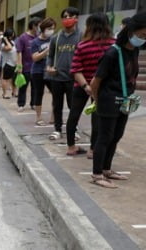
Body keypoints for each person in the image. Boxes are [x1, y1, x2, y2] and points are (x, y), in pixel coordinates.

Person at [90, 12, 146, 188]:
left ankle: (107, 169)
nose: (144, 39)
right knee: (104, 137)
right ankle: (97, 174)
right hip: (109, 99)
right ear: (131, 32)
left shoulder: (135, 50)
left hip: (126, 98)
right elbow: (95, 82)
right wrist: (98, 102)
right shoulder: (112, 53)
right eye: (142, 35)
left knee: (116, 136)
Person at [66, 13, 115, 157]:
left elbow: (75, 70)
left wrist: (86, 87)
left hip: (82, 86)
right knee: (98, 118)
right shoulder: (113, 45)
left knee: (74, 115)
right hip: (103, 88)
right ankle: (93, 150)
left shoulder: (82, 45)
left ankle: (71, 147)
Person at [46, 7, 82, 140]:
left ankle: (73, 129)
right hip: (57, 77)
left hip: (74, 78)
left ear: (76, 19)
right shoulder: (56, 37)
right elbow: (50, 55)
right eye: (65, 17)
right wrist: (49, 67)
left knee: (73, 106)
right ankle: (57, 129)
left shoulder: (81, 36)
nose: (67, 19)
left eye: (71, 16)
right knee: (57, 105)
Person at [31, 17, 56, 125]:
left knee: (56, 93)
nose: (51, 30)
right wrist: (47, 50)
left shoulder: (54, 39)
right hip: (38, 71)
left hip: (51, 71)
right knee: (38, 94)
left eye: (53, 28)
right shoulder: (35, 42)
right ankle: (38, 117)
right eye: (49, 28)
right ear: (43, 28)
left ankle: (53, 117)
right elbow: (35, 58)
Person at [16, 16, 42, 111]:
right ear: (33, 26)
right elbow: (19, 53)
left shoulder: (38, 37)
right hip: (25, 67)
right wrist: (19, 66)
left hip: (36, 67)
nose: (40, 28)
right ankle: (21, 104)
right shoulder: (23, 37)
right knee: (23, 86)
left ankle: (33, 104)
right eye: (38, 26)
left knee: (35, 87)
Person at [0, 29, 18, 99]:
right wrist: (5, 40)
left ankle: (14, 92)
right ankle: (5, 94)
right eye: (10, 35)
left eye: (12, 35)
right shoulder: (3, 45)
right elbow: (9, 48)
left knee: (14, 79)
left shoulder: (13, 42)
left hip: (14, 63)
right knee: (6, 79)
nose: (12, 37)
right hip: (7, 64)